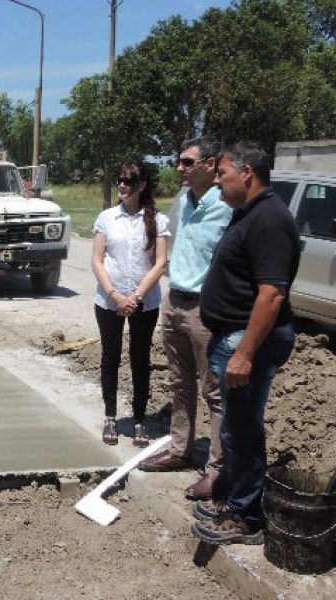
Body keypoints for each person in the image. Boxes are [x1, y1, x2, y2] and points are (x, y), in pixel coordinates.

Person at [192, 142, 300, 545]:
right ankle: (234, 501)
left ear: (247, 174)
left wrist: (245, 352)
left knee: (244, 430)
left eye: (222, 173)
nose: (217, 179)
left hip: (248, 341)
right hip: (232, 336)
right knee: (235, 430)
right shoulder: (249, 214)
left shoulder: (270, 220)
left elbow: (271, 294)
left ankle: (246, 518)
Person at [138, 138, 232, 503]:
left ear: (210, 164)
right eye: (179, 161)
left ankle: (217, 470)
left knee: (214, 391)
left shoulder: (225, 206)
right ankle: (180, 450)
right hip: (174, 302)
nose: (179, 168)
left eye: (187, 162)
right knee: (179, 383)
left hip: (205, 311)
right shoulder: (183, 202)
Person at [92, 161, 171, 447]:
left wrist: (136, 296)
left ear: (142, 185)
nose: (122, 186)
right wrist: (114, 295)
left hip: (144, 303)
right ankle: (110, 416)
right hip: (108, 300)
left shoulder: (157, 221)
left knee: (140, 360)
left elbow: (160, 263)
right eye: (120, 181)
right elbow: (97, 260)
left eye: (128, 181)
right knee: (110, 357)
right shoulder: (107, 218)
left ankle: (139, 419)